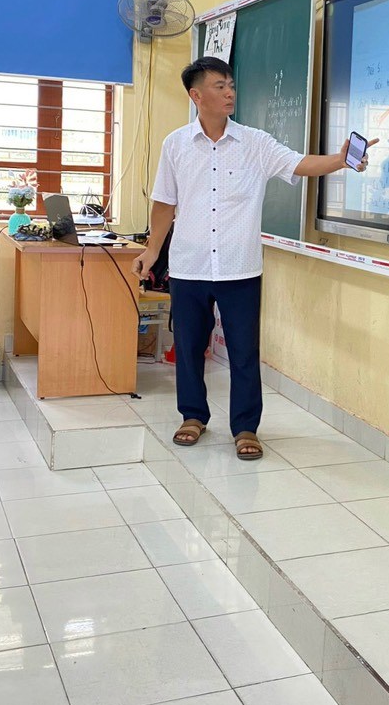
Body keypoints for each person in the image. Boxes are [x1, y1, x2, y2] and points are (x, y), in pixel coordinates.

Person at [134, 57, 374, 460]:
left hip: (240, 266)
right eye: (219, 86)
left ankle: (245, 427)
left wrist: (341, 159)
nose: (230, 92)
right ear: (196, 95)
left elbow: (300, 163)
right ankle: (192, 416)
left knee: (244, 352)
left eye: (231, 85)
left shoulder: (255, 143)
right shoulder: (175, 144)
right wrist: (152, 249)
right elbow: (164, 203)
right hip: (190, 264)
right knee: (189, 347)